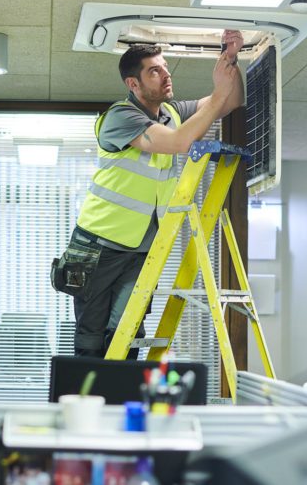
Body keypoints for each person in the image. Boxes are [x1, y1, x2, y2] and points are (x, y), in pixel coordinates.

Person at [53, 30, 245, 358]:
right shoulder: (119, 117)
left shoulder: (171, 114)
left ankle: (121, 403)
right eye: (154, 71)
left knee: (128, 331)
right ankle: (85, 404)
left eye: (165, 66)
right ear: (133, 84)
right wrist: (216, 96)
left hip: (142, 247)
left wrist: (229, 61)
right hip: (99, 244)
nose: (166, 74)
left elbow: (231, 101)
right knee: (92, 335)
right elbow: (179, 142)